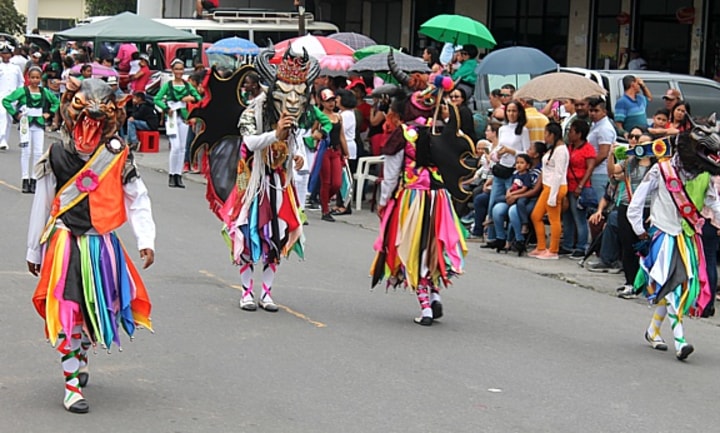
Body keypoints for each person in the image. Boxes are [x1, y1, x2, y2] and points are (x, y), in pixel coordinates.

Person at [26, 77, 155, 413]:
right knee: (68, 310)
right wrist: (32, 248)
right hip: (65, 242)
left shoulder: (118, 155)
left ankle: (81, 356)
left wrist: (146, 239)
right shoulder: (55, 154)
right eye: (82, 116)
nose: (89, 126)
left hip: (102, 245)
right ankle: (71, 387)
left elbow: (137, 197)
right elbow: (43, 200)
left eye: (98, 120)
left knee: (95, 307)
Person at [371, 57, 473, 326]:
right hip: (439, 199)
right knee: (432, 247)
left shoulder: (403, 133)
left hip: (412, 198)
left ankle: (426, 308)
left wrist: (383, 202)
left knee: (412, 249)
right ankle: (435, 295)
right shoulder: (439, 129)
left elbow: (391, 173)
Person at [627, 115, 720, 361]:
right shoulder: (661, 169)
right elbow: (635, 204)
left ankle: (652, 331)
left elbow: (713, 204)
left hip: (688, 237)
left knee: (676, 285)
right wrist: (641, 233)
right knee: (673, 286)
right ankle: (680, 340)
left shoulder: (704, 176)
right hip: (662, 235)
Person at [229, 47, 315, 311]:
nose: (291, 102)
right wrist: (275, 134)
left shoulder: (293, 120)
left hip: (279, 183)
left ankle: (266, 292)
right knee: (247, 231)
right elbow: (250, 142)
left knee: (277, 236)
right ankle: (246, 292)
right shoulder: (251, 113)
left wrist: (299, 156)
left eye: (297, 96)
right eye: (285, 94)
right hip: (252, 180)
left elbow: (295, 145)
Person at [2, 66, 60, 193]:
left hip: (39, 123)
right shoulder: (22, 91)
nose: (35, 80)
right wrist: (16, 114)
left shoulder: (44, 92)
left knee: (38, 152)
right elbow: (6, 100)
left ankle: (34, 179)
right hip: (25, 123)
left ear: (41, 78)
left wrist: (49, 113)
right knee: (26, 152)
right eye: (32, 77)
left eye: (37, 78)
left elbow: (56, 102)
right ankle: (25, 178)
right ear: (28, 78)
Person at [484, 101, 530, 249]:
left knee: (510, 202)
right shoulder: (503, 129)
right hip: (501, 168)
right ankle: (494, 237)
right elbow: (499, 146)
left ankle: (511, 239)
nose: (511, 114)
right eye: (509, 111)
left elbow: (526, 152)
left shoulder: (523, 130)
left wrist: (511, 151)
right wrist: (496, 153)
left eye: (514, 111)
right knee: (492, 203)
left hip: (514, 171)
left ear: (519, 113)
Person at [154, 58, 203, 188]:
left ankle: (178, 175)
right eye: (176, 69)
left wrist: (191, 98)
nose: (179, 72)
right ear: (172, 70)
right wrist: (166, 108)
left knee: (182, 148)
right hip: (171, 117)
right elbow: (157, 98)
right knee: (175, 147)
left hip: (183, 117)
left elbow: (198, 98)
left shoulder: (187, 86)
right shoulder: (168, 85)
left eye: (181, 69)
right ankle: (171, 174)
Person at [529, 122, 569, 259]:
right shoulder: (553, 149)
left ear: (552, 134)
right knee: (536, 215)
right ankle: (541, 247)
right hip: (548, 186)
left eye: (546, 134)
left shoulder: (561, 151)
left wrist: (553, 195)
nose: (545, 137)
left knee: (554, 219)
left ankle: (553, 250)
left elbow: (558, 173)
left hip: (555, 187)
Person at [561, 119, 596, 258]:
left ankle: (582, 246)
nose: (569, 134)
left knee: (579, 217)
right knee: (567, 216)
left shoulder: (588, 149)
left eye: (572, 131)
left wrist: (581, 185)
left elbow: (590, 168)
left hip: (579, 187)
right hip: (567, 185)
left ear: (579, 134)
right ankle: (568, 244)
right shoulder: (569, 147)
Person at [317, 88, 348, 222]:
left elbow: (341, 136)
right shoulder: (319, 116)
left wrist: (346, 152)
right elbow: (312, 133)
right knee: (326, 182)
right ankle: (325, 210)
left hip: (335, 151)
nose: (331, 103)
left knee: (337, 183)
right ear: (322, 102)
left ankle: (324, 199)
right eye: (327, 101)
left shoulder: (338, 117)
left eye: (332, 100)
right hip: (323, 151)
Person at [586, 97, 616, 204]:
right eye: (591, 111)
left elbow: (603, 153)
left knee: (599, 207)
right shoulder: (596, 125)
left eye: (596, 111)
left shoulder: (604, 128)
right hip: (596, 172)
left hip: (601, 173)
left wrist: (589, 167)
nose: (593, 113)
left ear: (604, 112)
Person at [0, 43, 24, 151]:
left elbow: (21, 82)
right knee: (2, 115)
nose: (6, 56)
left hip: (12, 97)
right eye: (4, 53)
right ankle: (2, 139)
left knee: (9, 119)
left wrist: (19, 94)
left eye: (8, 54)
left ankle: (4, 139)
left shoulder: (16, 68)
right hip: (1, 95)